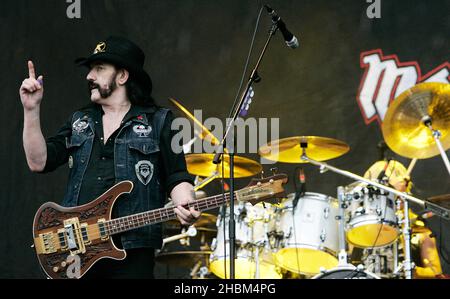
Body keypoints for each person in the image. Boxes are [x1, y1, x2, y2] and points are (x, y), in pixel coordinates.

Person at [20, 36, 200, 278]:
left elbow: (177, 178)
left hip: (133, 253)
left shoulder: (160, 122)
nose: (89, 76)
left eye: (99, 69)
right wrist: (31, 110)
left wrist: (186, 204)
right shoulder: (79, 121)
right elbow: (38, 161)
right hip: (77, 253)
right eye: (90, 69)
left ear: (123, 76)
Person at [363, 160, 443, 278]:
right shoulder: (360, 228)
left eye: (399, 196)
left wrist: (413, 271)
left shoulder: (418, 229)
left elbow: (436, 272)